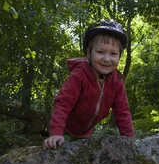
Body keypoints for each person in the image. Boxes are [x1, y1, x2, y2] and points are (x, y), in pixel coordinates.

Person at [43, 20, 134, 149]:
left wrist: (129, 139)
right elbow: (63, 104)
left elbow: (122, 112)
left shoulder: (117, 82)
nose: (106, 59)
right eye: (100, 52)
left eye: (113, 54)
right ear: (89, 53)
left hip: (86, 135)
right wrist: (56, 133)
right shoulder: (79, 75)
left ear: (119, 56)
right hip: (65, 131)